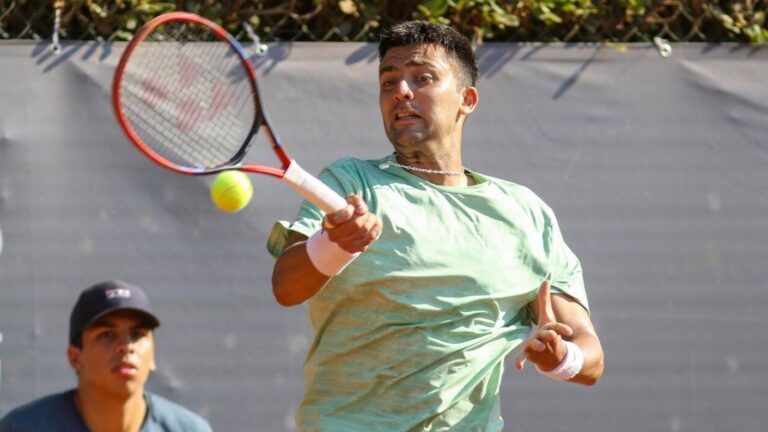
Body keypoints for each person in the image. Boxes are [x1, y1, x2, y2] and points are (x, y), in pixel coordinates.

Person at [268, 21, 604, 431]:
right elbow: (286, 286)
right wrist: (335, 245)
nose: (401, 92)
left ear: (467, 99)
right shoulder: (351, 182)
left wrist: (560, 358)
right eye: (388, 82)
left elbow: (590, 358)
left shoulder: (525, 213)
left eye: (422, 78)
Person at [0, 280, 212, 432]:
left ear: (153, 356)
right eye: (107, 335)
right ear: (75, 357)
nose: (126, 346)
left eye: (137, 335)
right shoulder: (23, 428)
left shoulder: (190, 429)